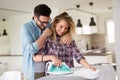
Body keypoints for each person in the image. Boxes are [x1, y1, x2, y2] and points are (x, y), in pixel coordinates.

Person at [21, 4, 72, 80]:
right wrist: (44, 35)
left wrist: (67, 35)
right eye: (42, 22)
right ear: (35, 17)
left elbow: (60, 30)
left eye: (47, 21)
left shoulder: (48, 25)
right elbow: (31, 50)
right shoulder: (26, 28)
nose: (45, 25)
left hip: (47, 69)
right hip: (33, 70)